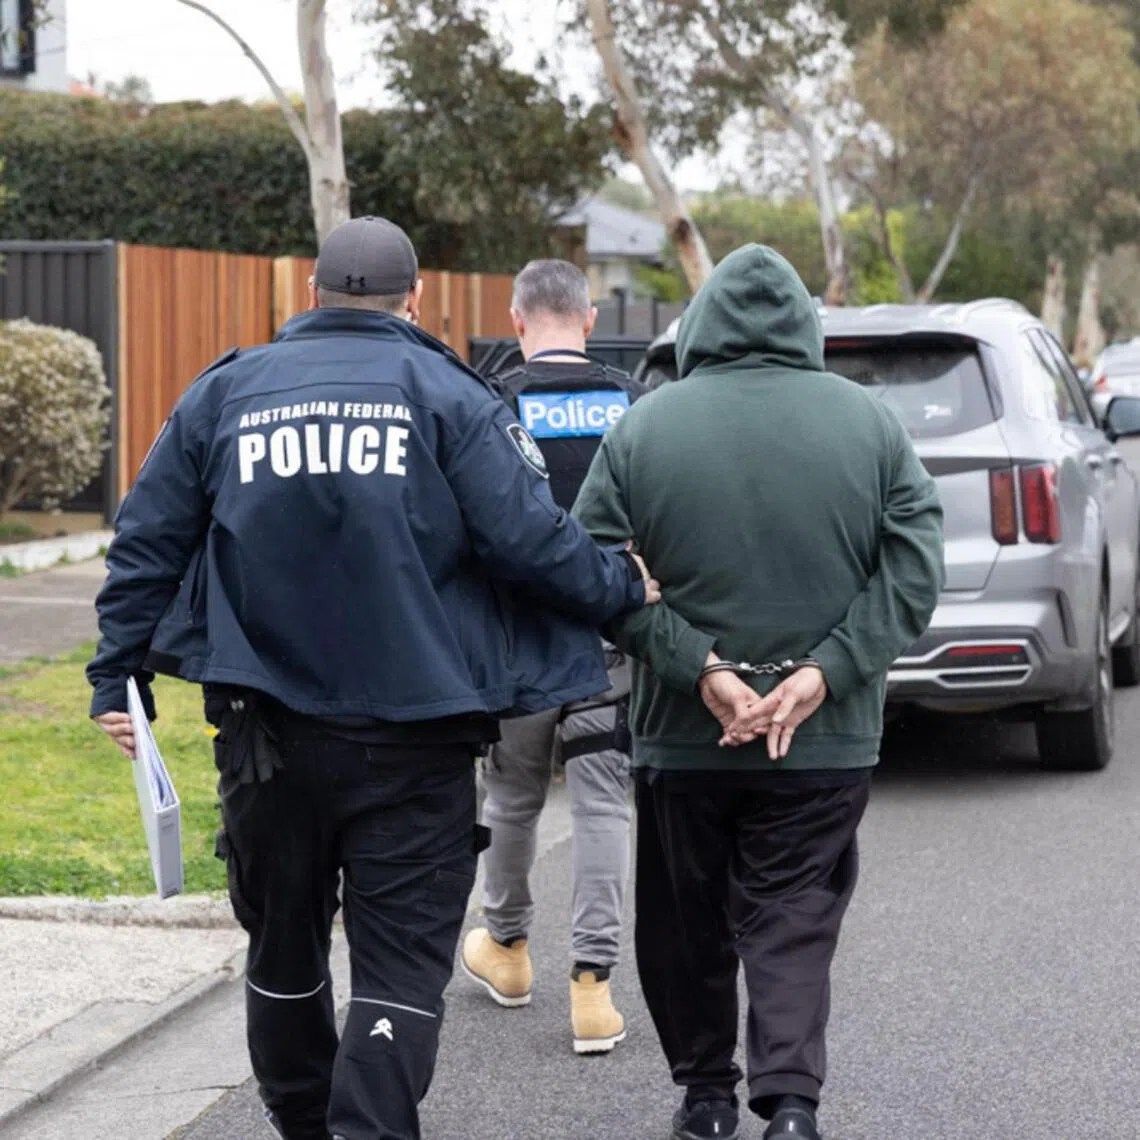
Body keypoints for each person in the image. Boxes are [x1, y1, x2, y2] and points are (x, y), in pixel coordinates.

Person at [87, 218, 659, 1140]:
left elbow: (146, 540)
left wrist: (118, 675)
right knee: (397, 969)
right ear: (416, 299)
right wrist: (621, 583)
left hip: (266, 740)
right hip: (415, 740)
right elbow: (531, 541)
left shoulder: (226, 391)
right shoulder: (451, 396)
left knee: (284, 947)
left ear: (311, 294)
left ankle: (302, 1120)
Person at [573, 244, 944, 1140]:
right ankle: (791, 1103)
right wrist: (829, 670)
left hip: (682, 733)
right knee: (792, 916)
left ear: (701, 324)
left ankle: (707, 1098)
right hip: (824, 736)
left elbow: (588, 569)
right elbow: (916, 564)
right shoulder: (871, 425)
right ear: (805, 326)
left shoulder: (644, 428)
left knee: (686, 921)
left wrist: (697, 665)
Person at [460, 260, 648, 1054]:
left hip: (518, 646)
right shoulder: (634, 402)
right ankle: (593, 990)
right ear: (590, 318)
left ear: (516, 319)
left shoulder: (488, 403)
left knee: (511, 796)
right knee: (604, 801)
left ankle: (506, 949)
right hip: (607, 636)